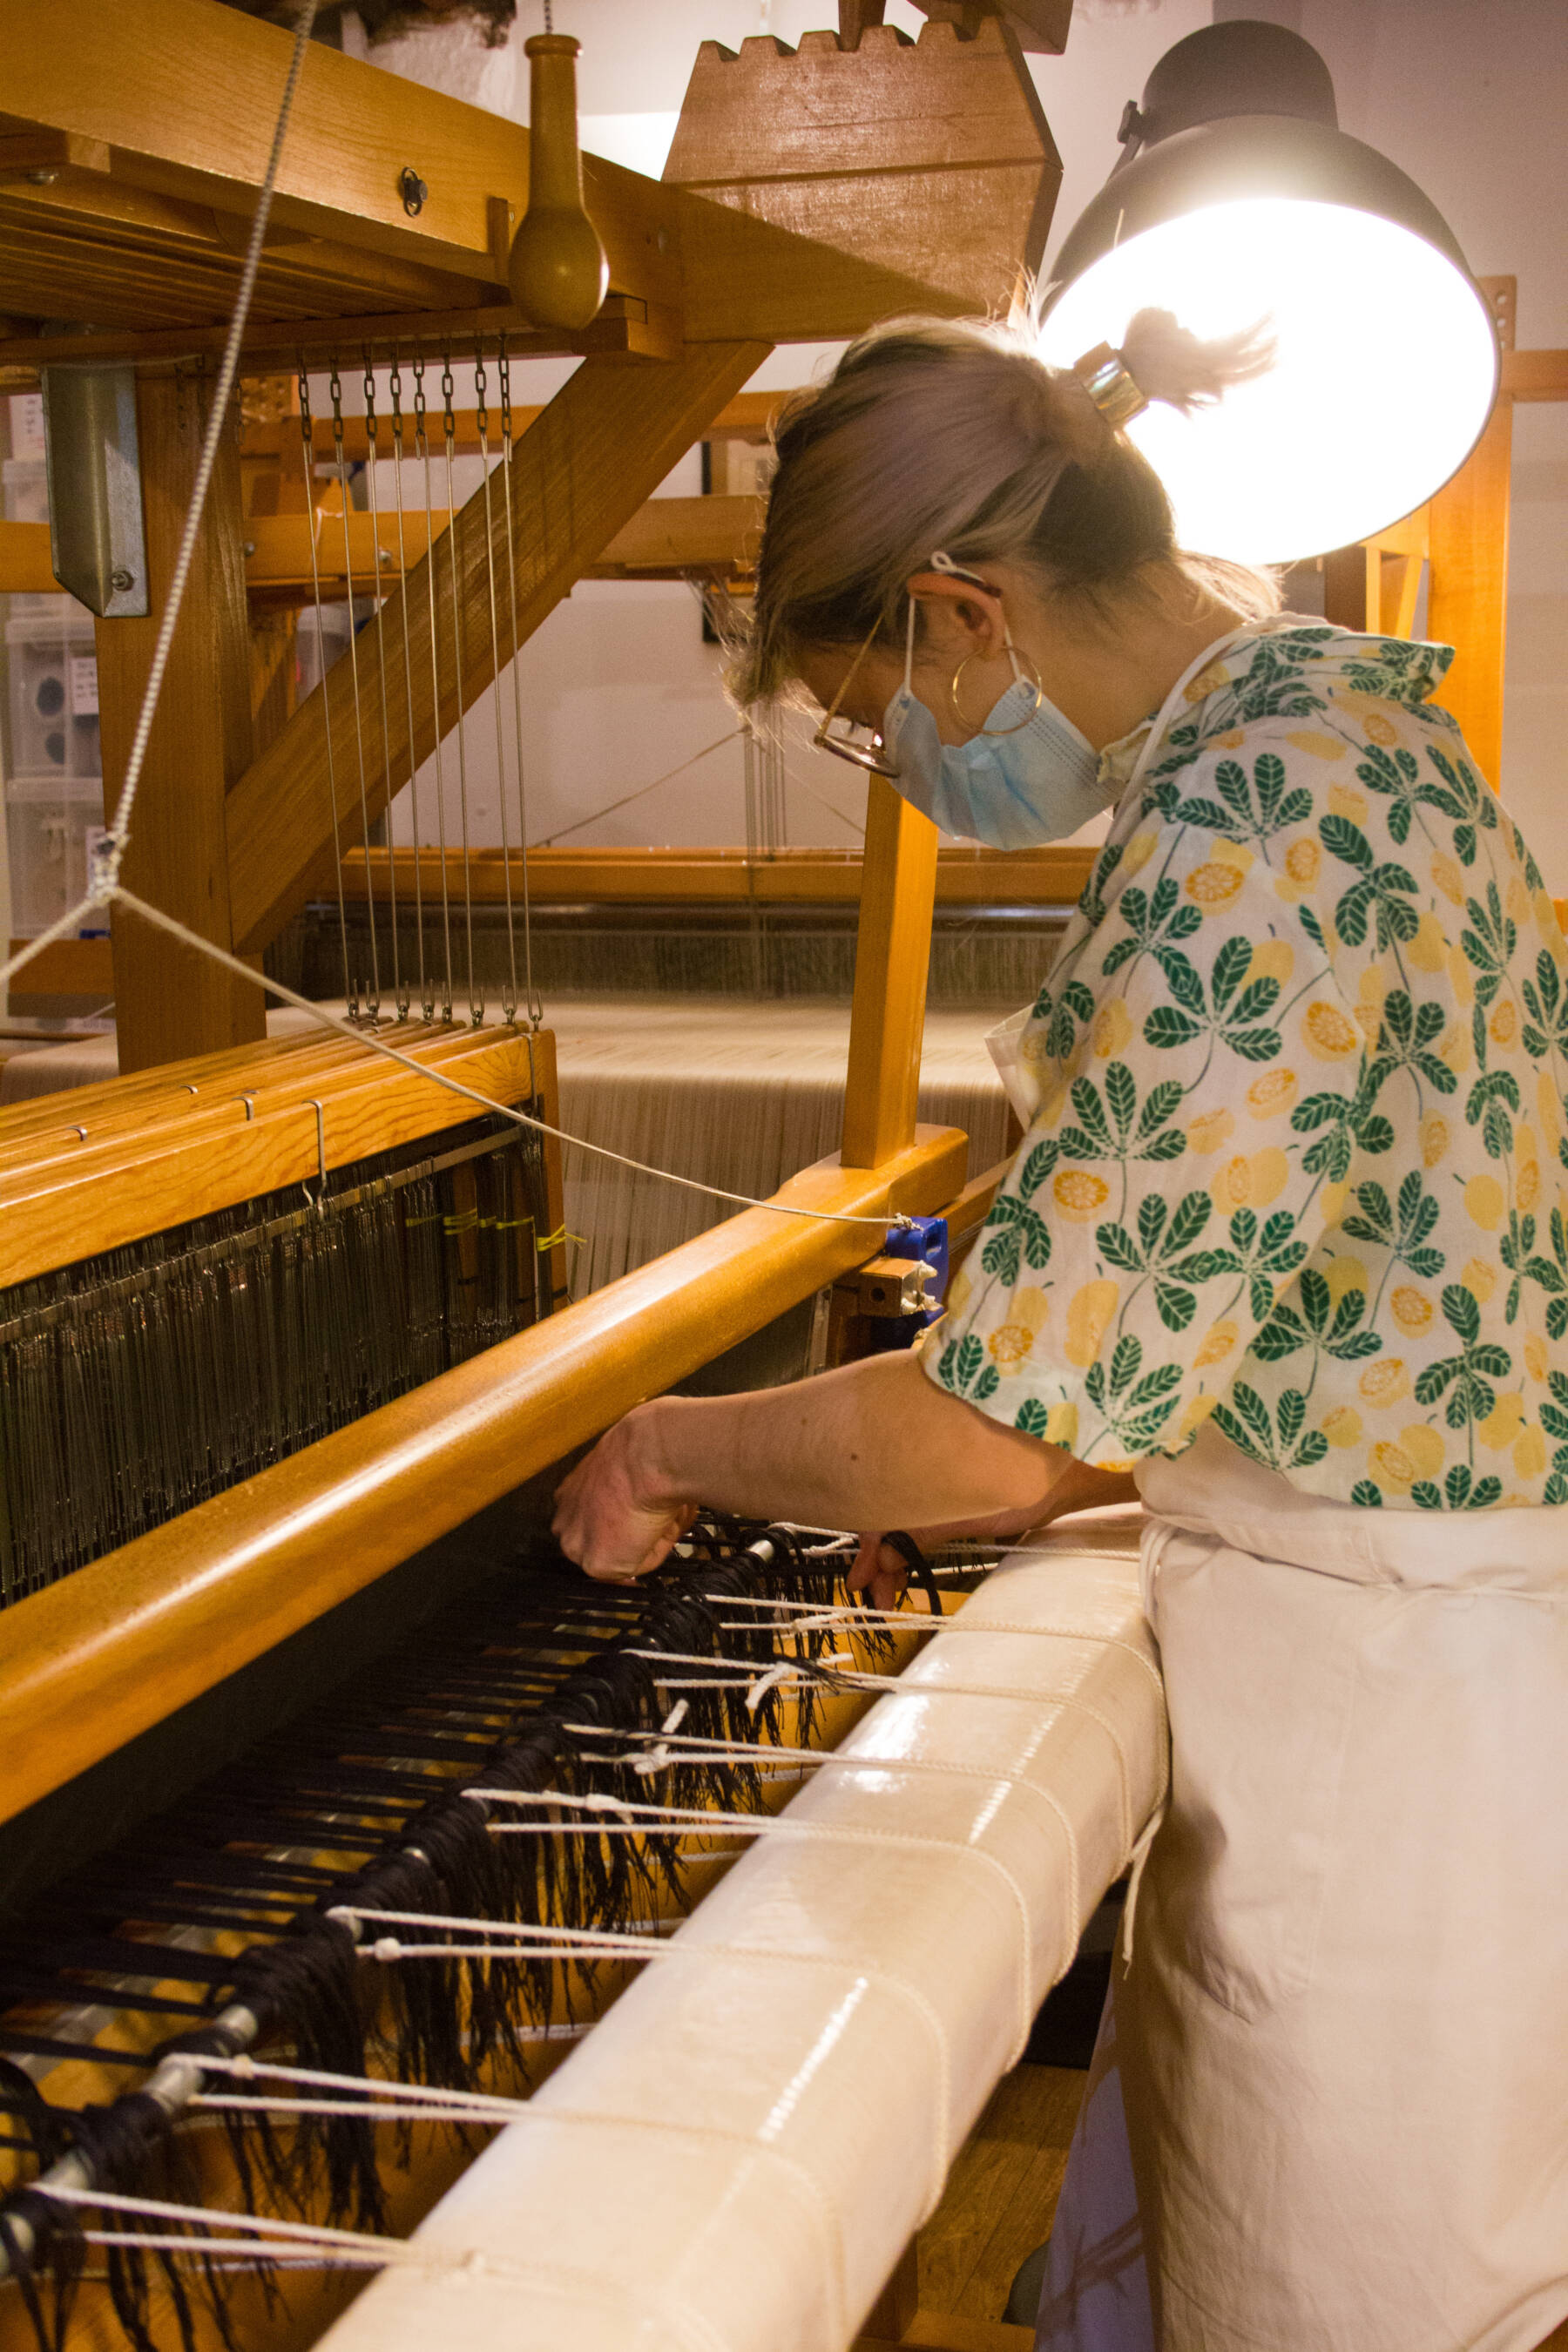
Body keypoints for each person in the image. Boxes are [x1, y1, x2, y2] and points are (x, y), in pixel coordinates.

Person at [552, 309, 1568, 2352]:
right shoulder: (1336, 735)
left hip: (1399, 1740)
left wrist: (671, 1445)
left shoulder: (1249, 825)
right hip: (1407, 1662)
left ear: (960, 615)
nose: (911, 769)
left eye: (874, 718)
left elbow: (995, 1436)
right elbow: (1242, 1246)